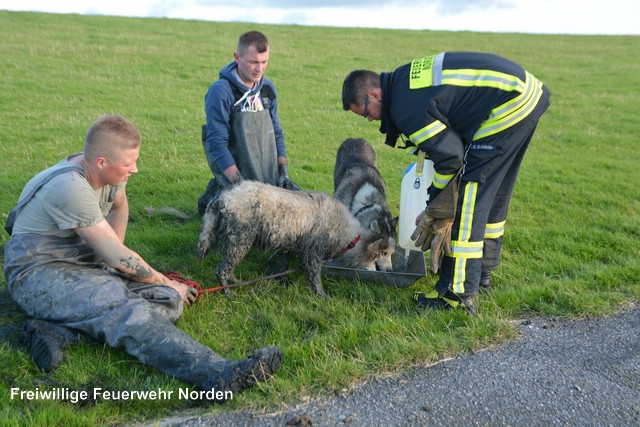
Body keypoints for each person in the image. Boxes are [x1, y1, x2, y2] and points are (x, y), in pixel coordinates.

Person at [3, 115, 282, 395]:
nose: (134, 169)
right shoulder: (69, 187)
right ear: (101, 161)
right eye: (128, 164)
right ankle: (216, 375)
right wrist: (158, 277)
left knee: (169, 300)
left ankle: (55, 331)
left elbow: (118, 209)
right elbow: (119, 258)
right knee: (128, 305)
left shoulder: (108, 172)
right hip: (38, 273)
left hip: (80, 266)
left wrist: (115, 265)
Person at [342, 52, 551, 315]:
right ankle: (482, 271)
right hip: (526, 95)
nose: (371, 120)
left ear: (374, 95)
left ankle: (457, 293)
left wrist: (434, 206)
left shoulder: (405, 109)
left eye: (366, 114)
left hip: (508, 104)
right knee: (493, 193)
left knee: (468, 198)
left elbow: (451, 157)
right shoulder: (402, 84)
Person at [199, 30, 299, 216]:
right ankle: (216, 194)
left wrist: (283, 173)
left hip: (267, 173)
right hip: (237, 173)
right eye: (253, 62)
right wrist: (240, 187)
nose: (259, 69)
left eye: (264, 62)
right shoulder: (221, 91)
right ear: (237, 57)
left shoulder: (267, 88)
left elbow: (276, 132)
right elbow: (217, 143)